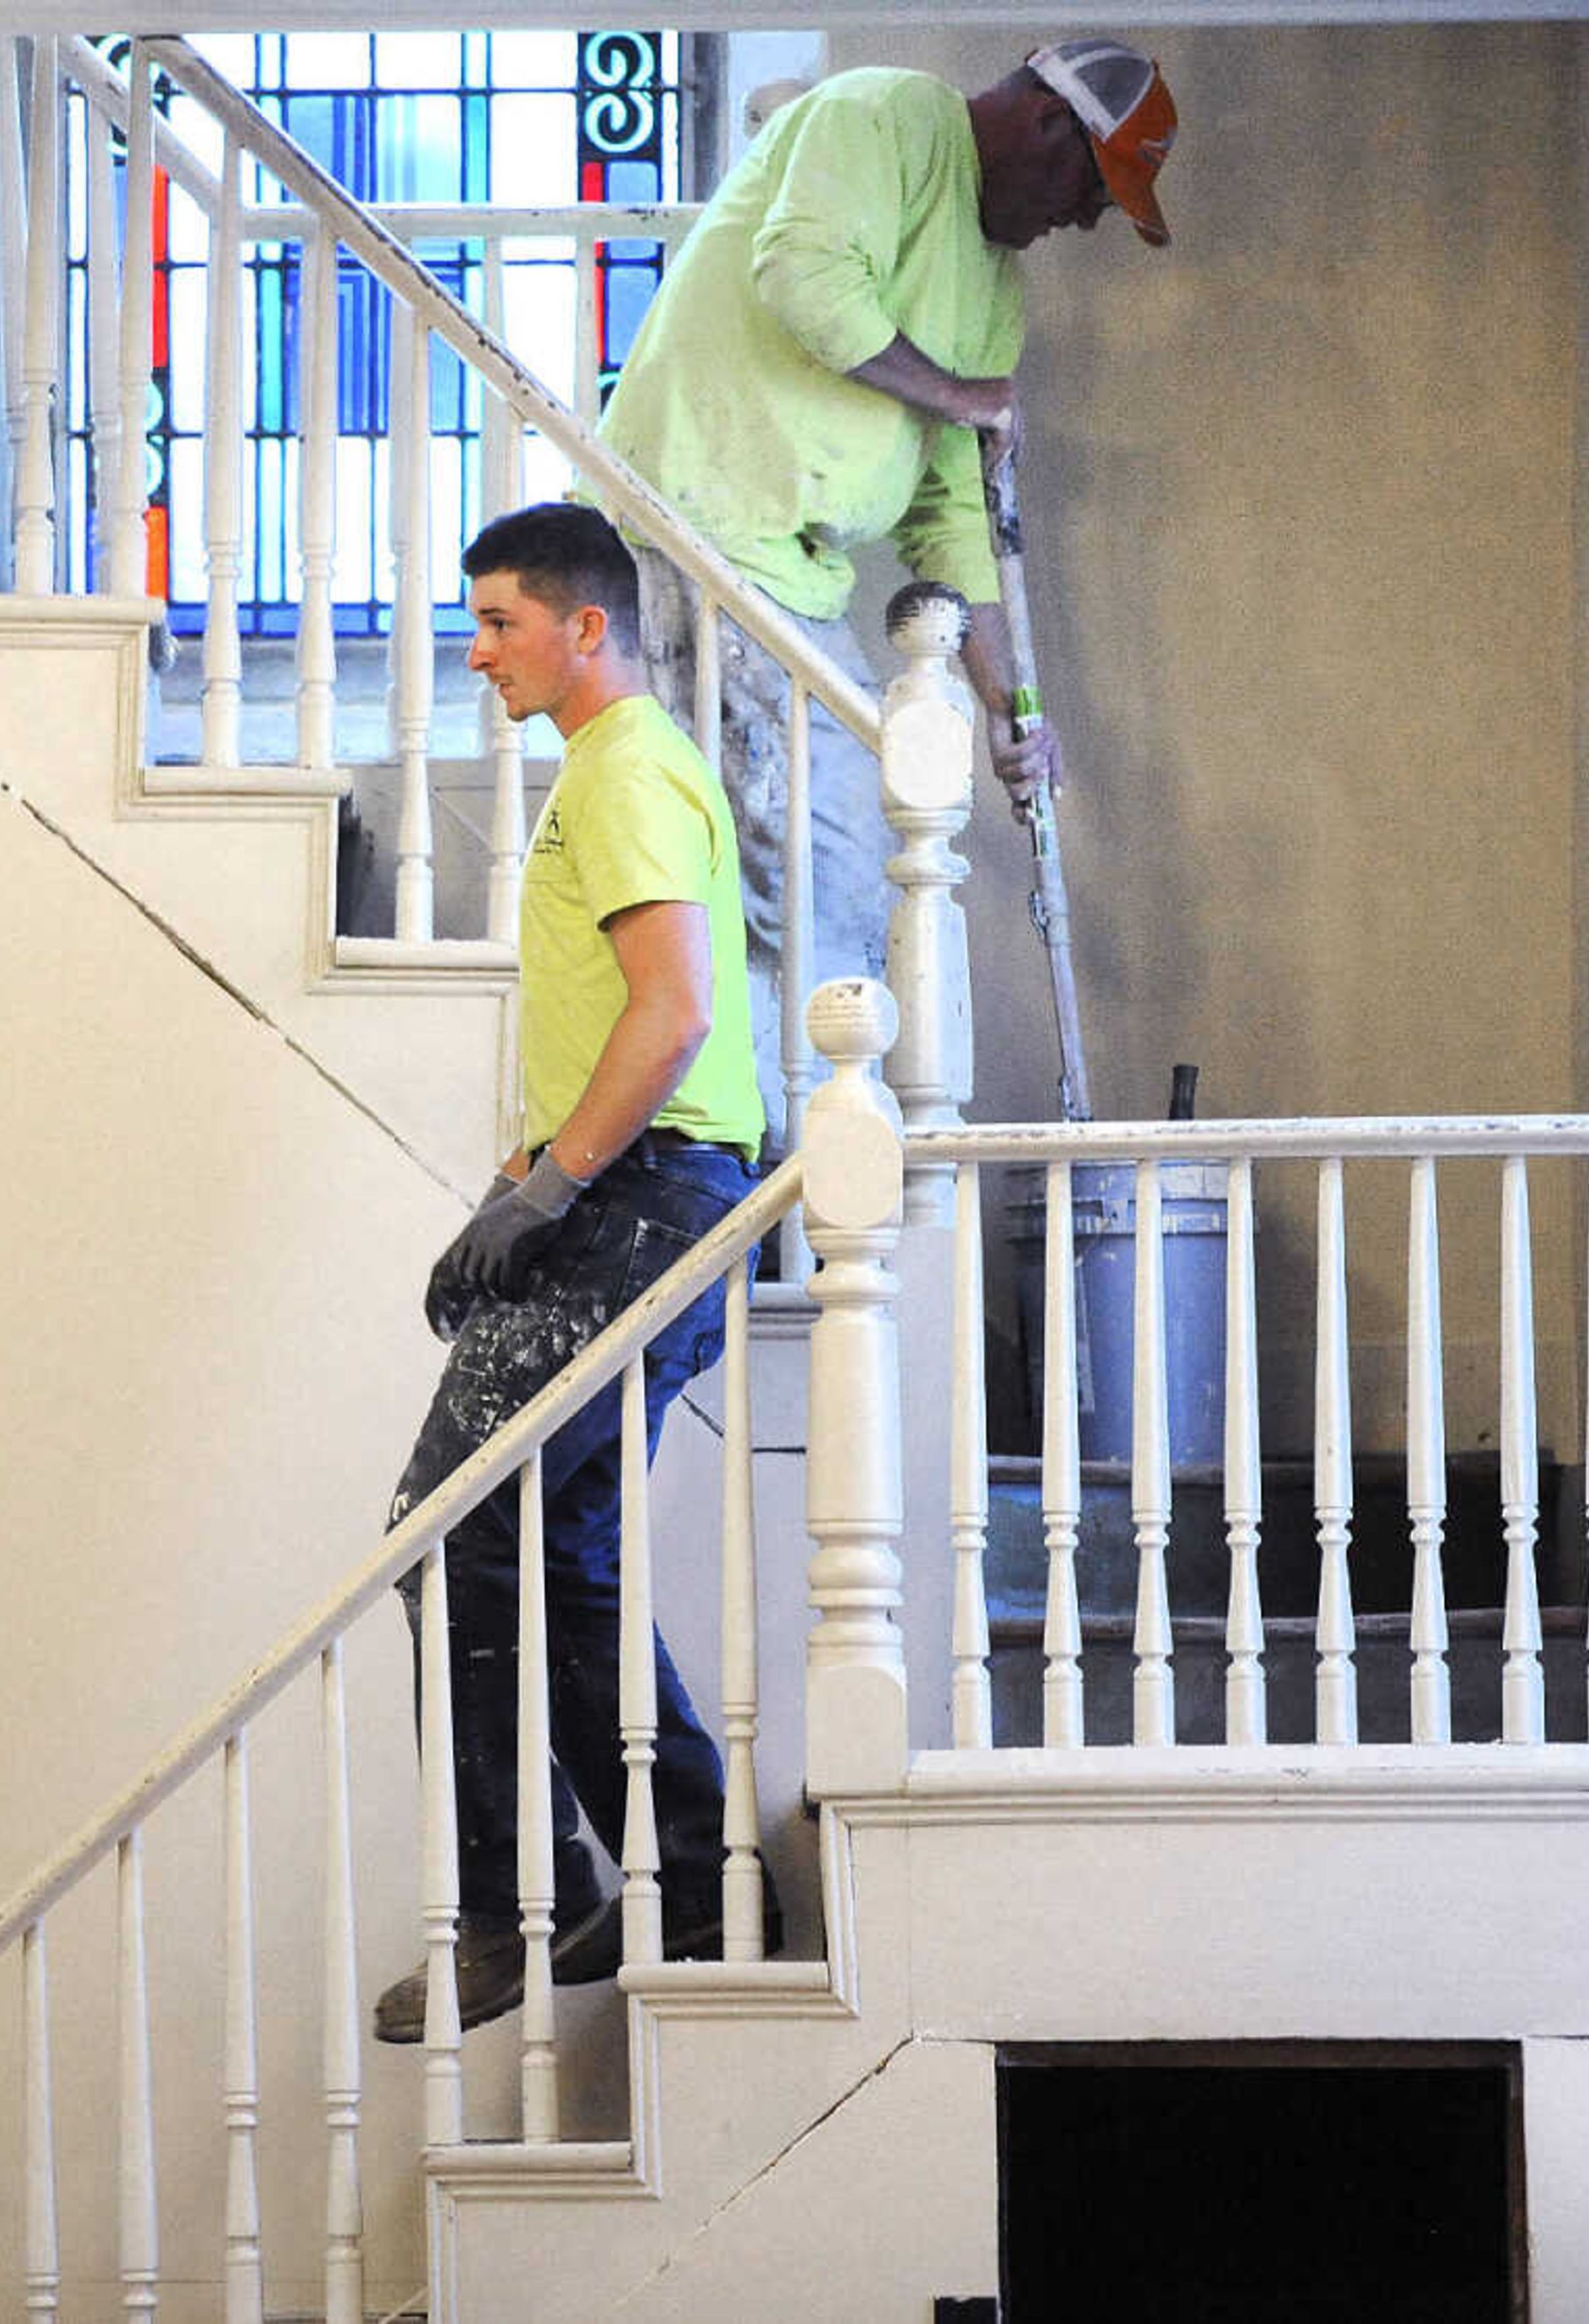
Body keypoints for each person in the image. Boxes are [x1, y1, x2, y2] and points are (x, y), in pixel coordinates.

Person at [594, 36, 1178, 1101]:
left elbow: (956, 518)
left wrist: (1004, 706)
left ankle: (773, 1144)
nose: (1083, 221)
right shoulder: (888, 118)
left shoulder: (993, 289)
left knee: (823, 873)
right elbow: (799, 270)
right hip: (699, 531)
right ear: (1050, 125)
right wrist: (961, 396)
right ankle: (794, 1148)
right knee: (837, 858)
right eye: (1095, 190)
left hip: (789, 578)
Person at [373, 502, 769, 2045]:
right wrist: (514, 1189)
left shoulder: (624, 768)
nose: (478, 654)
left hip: (647, 1192)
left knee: (445, 1522)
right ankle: (694, 1874)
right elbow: (634, 1018)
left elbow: (669, 1013)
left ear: (585, 624)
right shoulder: (613, 769)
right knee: (561, 1547)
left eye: (499, 624)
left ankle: (496, 1910)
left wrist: (550, 1190)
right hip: (647, 1186)